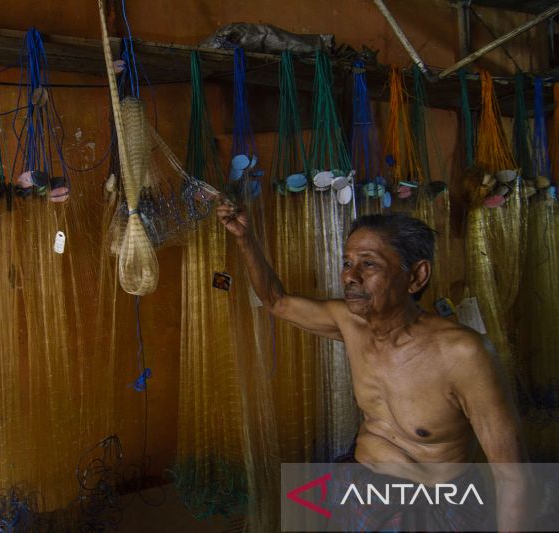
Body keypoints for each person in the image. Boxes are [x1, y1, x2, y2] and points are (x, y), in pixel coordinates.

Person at [217, 204, 530, 531]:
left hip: (437, 506)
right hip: (366, 489)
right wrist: (245, 238)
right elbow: (277, 301)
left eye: (368, 263)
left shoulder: (463, 354)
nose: (350, 276)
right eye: (347, 263)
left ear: (416, 276)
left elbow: (512, 476)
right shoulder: (350, 323)